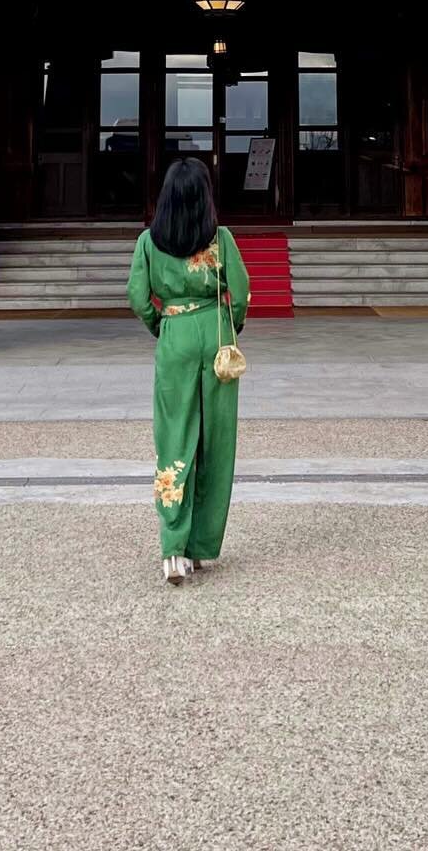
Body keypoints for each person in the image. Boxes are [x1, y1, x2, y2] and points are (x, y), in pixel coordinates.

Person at [127, 157, 250, 585]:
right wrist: (229, 327)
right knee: (216, 442)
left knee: (174, 436)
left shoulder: (148, 242)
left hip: (175, 333)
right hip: (214, 333)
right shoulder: (222, 239)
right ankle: (201, 545)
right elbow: (243, 291)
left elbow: (138, 295)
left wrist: (161, 325)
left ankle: (172, 549)